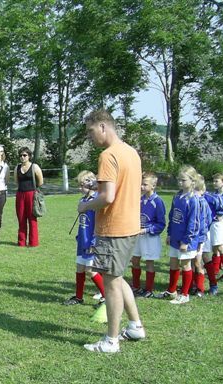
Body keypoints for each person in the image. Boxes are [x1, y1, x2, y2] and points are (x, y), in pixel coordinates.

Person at [79, 109, 144, 354]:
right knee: (116, 277)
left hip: (113, 228)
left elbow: (107, 197)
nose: (90, 137)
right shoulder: (130, 152)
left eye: (91, 131)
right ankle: (136, 325)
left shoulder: (108, 155)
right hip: (130, 226)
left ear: (104, 127)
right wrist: (97, 184)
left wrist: (85, 205)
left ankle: (111, 340)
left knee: (111, 282)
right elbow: (121, 183)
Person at [64, 170, 105, 306]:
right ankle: (79, 297)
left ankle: (106, 296)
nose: (80, 188)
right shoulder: (83, 200)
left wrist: (94, 242)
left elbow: (99, 224)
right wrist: (79, 236)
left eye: (83, 185)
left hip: (92, 241)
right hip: (82, 240)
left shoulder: (97, 201)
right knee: (80, 268)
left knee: (90, 271)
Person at [162, 166, 201, 305]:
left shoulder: (193, 200)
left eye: (183, 180)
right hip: (175, 237)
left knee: (185, 265)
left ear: (192, 181)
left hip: (186, 240)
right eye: (179, 180)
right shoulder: (177, 196)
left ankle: (185, 294)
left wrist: (186, 241)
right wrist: (169, 233)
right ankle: (172, 291)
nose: (180, 182)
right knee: (173, 263)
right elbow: (172, 216)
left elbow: (194, 223)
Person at [130, 172, 166, 298]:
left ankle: (149, 289)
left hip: (149, 237)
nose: (141, 187)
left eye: (145, 184)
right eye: (141, 184)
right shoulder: (139, 199)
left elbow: (161, 224)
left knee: (149, 262)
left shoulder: (158, 202)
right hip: (137, 235)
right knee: (135, 260)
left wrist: (146, 230)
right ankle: (136, 286)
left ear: (153, 186)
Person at [14, 146, 43, 247]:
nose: (22, 157)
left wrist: (33, 190)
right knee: (21, 218)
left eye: (24, 155)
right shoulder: (17, 168)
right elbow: (16, 181)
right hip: (20, 194)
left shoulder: (35, 167)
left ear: (29, 156)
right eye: (20, 155)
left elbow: (41, 181)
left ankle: (33, 242)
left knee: (32, 218)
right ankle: (21, 242)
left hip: (31, 194)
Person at [192, 175, 213, 297]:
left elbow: (208, 219)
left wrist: (202, 233)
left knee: (198, 261)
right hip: (191, 236)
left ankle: (200, 288)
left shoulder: (202, 202)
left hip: (200, 236)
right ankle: (192, 285)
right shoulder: (190, 199)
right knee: (191, 260)